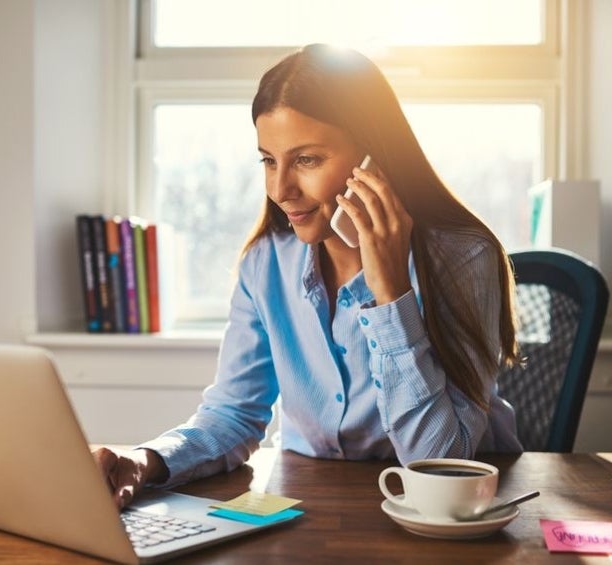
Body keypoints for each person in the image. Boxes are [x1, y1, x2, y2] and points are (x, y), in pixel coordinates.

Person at [94, 43, 523, 509]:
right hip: (307, 507)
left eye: (307, 160)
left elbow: (439, 462)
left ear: (373, 159)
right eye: (268, 160)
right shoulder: (266, 262)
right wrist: (146, 459)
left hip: (451, 519)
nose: (280, 189)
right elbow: (234, 415)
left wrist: (391, 293)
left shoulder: (461, 258)